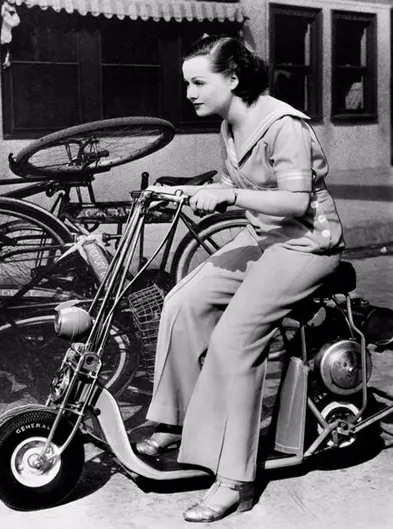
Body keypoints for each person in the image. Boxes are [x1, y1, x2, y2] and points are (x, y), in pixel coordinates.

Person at [137, 35, 344, 522]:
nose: (189, 91)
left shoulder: (284, 125)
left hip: (306, 244)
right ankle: (175, 420)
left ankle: (234, 478)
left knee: (235, 338)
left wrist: (227, 196)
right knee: (182, 302)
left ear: (232, 78)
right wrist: (188, 191)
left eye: (198, 81)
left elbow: (295, 204)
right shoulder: (231, 123)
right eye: (186, 82)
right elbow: (247, 185)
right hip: (262, 239)